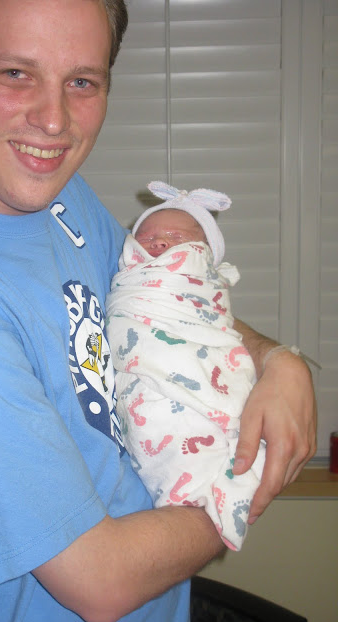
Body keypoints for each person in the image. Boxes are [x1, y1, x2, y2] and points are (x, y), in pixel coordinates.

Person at [0, 0, 316, 622]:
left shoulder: (54, 197)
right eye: (15, 73)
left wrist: (278, 361)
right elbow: (100, 583)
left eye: (81, 81)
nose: (53, 121)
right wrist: (242, 483)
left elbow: (161, 304)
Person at [106, 181, 266, 551]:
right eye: (147, 237)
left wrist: (282, 362)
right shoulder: (129, 280)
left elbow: (216, 324)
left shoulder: (204, 283)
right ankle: (198, 485)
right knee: (154, 420)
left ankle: (220, 471)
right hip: (143, 371)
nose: (160, 242)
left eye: (178, 238)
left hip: (206, 357)